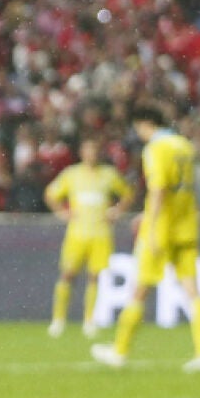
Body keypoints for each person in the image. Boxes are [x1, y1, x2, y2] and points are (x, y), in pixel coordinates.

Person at [93, 108, 200, 372]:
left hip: (161, 229)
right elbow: (184, 188)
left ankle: (120, 351)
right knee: (192, 290)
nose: (139, 134)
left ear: (146, 123)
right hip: (186, 226)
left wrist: (151, 224)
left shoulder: (156, 148)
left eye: (138, 128)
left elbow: (159, 188)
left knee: (140, 289)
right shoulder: (184, 146)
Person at [44, 137, 130, 339]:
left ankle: (89, 321)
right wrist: (62, 212)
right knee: (67, 275)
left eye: (94, 150)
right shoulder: (72, 174)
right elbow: (50, 194)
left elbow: (127, 194)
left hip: (101, 233)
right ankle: (58, 320)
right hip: (77, 233)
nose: (91, 154)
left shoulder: (109, 174)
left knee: (94, 277)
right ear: (82, 153)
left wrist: (117, 211)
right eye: (88, 150)